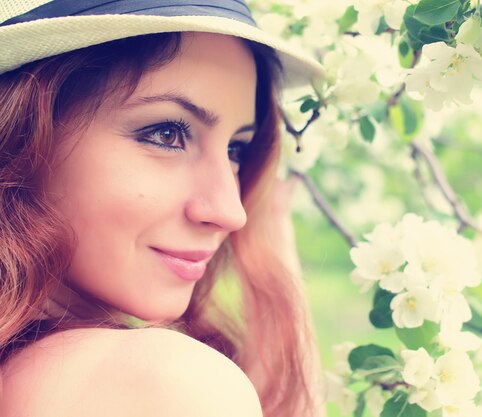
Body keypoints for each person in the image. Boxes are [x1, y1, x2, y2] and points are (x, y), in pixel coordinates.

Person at [0, 1, 325, 416]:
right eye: (167, 134)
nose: (231, 212)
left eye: (236, 149)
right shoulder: (170, 382)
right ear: (21, 134)